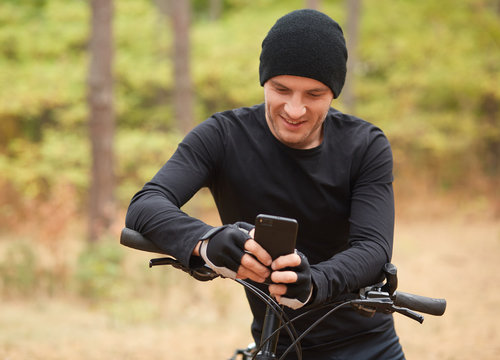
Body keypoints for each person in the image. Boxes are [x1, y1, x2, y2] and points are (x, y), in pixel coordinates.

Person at [126, 8, 405, 360]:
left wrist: (313, 284)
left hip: (366, 347)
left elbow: (374, 247)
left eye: (314, 94)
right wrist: (207, 242)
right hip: (276, 344)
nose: (295, 108)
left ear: (334, 92)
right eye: (281, 89)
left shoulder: (365, 145)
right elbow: (146, 204)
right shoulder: (222, 136)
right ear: (264, 81)